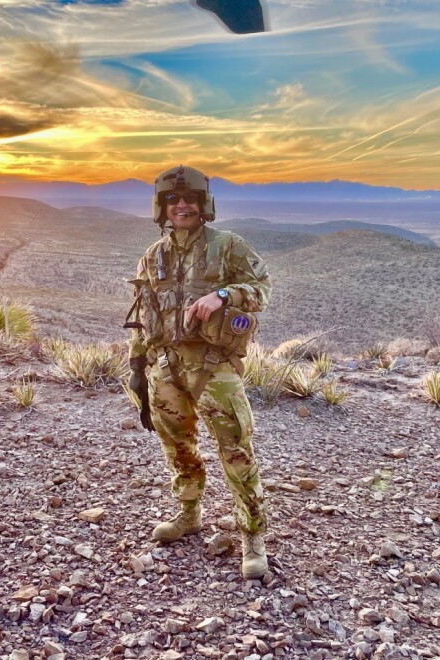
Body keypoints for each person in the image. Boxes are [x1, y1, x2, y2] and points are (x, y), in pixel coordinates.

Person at [125, 164, 271, 579]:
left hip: (213, 367)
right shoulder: (153, 256)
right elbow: (143, 316)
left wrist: (223, 294)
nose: (183, 205)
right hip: (165, 367)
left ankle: (253, 536)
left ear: (204, 204)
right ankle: (189, 514)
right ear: (162, 206)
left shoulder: (229, 246)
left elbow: (263, 290)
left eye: (190, 198)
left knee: (236, 450)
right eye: (174, 199)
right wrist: (138, 368)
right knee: (178, 448)